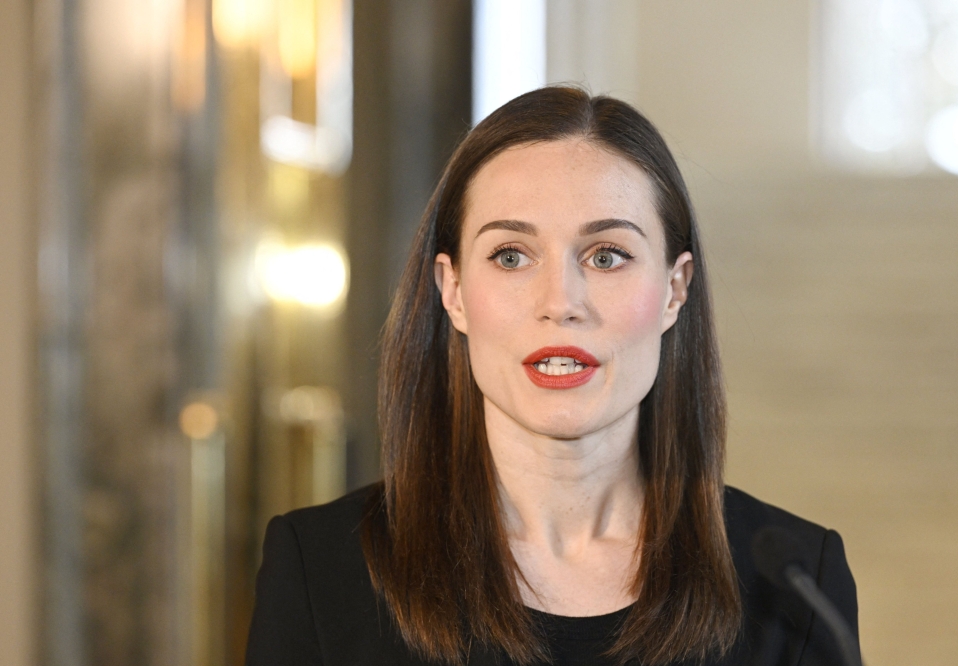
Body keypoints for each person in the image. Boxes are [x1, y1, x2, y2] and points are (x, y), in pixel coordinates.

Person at [245, 87, 858, 666]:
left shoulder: (799, 584)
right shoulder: (317, 569)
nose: (560, 301)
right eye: (511, 256)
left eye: (606, 256)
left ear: (675, 289)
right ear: (453, 291)